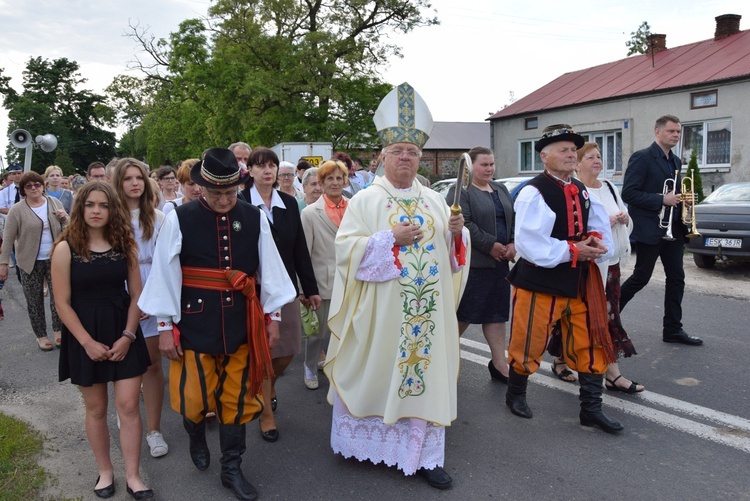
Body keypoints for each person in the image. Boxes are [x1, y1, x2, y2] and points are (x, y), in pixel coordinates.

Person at [324, 82, 467, 489]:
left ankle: (424, 454)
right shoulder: (366, 200)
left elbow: (452, 254)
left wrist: (457, 234)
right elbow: (346, 250)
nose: (406, 157)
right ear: (383, 156)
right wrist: (389, 240)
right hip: (382, 313)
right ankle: (371, 444)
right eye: (398, 151)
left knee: (422, 376)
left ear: (420, 158)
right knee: (380, 368)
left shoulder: (436, 200)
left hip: (427, 315)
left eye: (412, 152)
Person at [138, 148, 295, 500]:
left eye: (230, 193)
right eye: (216, 193)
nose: (224, 200)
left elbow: (269, 270)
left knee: (237, 400)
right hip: (195, 321)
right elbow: (165, 272)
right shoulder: (179, 218)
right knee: (194, 398)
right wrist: (165, 326)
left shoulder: (254, 217)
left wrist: (274, 318)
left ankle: (232, 468)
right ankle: (195, 434)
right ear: (200, 188)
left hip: (243, 321)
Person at [505, 124, 623, 434]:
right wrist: (574, 249)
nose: (571, 154)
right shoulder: (534, 192)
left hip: (580, 280)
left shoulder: (582, 189)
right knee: (529, 339)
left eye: (573, 150)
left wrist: (597, 244)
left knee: (591, 341)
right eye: (563, 149)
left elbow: (598, 226)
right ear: (544, 156)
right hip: (541, 280)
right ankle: (516, 393)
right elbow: (530, 244)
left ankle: (591, 409)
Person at [51, 181, 153, 499]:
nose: (97, 211)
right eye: (91, 204)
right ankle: (105, 472)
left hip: (123, 331)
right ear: (80, 208)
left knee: (128, 406)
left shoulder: (126, 245)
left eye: (104, 205)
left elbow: (137, 295)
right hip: (85, 336)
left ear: (113, 210)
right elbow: (62, 303)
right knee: (96, 409)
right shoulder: (65, 248)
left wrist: (128, 335)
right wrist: (86, 342)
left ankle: (134, 476)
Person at [240, 146, 320, 442]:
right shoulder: (239, 205)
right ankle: (265, 414)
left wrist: (309, 289)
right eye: (260, 165)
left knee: (287, 350)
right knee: (259, 350)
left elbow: (300, 249)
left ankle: (268, 389)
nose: (267, 170)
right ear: (249, 170)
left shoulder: (288, 202)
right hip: (250, 291)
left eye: (271, 165)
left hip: (284, 288)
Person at [549, 143, 643, 392]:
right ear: (577, 164)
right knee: (576, 313)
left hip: (610, 262)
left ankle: (612, 373)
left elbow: (625, 216)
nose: (596, 161)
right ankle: (561, 358)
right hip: (584, 264)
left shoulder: (610, 187)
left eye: (599, 156)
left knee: (608, 314)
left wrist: (623, 218)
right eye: (590, 157)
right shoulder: (575, 189)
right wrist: (606, 222)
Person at [620, 114, 702, 346]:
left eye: (678, 132)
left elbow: (672, 195)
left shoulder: (675, 161)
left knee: (677, 278)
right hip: (650, 229)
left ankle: (673, 329)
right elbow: (629, 193)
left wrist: (682, 200)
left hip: (673, 229)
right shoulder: (642, 158)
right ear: (658, 132)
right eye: (671, 131)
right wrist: (661, 199)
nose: (676, 135)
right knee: (640, 278)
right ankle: (609, 317)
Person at [112, 158, 171, 458]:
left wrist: (151, 299)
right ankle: (127, 415)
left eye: (139, 178)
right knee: (123, 363)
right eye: (127, 178)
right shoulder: (109, 216)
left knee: (151, 364)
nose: (134, 183)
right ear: (118, 183)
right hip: (119, 292)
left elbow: (166, 263)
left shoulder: (159, 218)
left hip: (153, 288)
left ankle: (154, 429)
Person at [446, 146, 515, 382]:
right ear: (470, 166)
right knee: (463, 315)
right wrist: (490, 245)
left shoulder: (500, 188)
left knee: (496, 315)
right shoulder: (460, 191)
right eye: (483, 164)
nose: (489, 169)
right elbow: (464, 225)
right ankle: (444, 361)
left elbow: (512, 217)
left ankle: (499, 364)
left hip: (499, 265)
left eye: (492, 164)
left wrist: (513, 242)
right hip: (472, 266)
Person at [0, 171, 68, 351]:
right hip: (29, 261)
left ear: (42, 186)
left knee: (59, 298)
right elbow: (8, 238)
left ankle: (58, 331)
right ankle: (41, 335)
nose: (34, 188)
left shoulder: (55, 203)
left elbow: (68, 229)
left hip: (55, 259)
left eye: (37, 184)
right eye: (28, 186)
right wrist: (3, 263)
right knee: (34, 300)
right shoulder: (17, 210)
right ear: (23, 190)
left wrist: (64, 218)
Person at [300, 160, 348, 389]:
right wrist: (304, 289)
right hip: (322, 283)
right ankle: (309, 367)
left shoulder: (355, 208)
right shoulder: (310, 213)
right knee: (316, 333)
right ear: (321, 183)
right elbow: (304, 254)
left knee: (343, 331)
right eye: (330, 178)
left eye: (339, 178)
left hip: (350, 281)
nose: (335, 183)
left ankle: (336, 366)